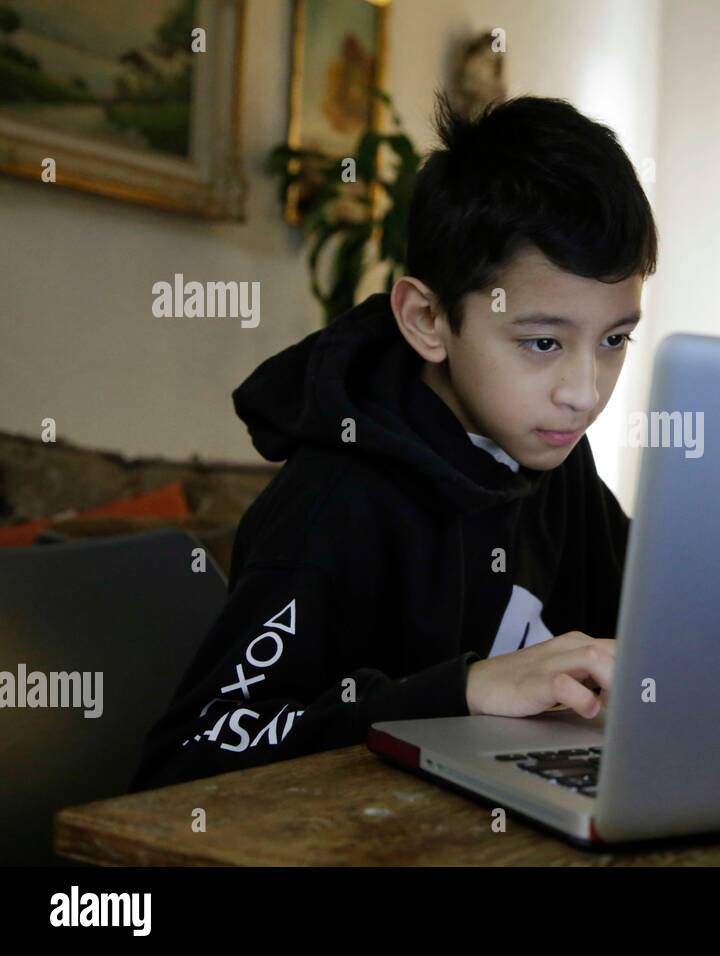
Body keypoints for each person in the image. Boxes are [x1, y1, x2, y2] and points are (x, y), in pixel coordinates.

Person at [129, 91, 657, 791]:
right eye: (541, 342)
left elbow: (647, 631)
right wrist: (459, 692)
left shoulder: (555, 460)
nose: (584, 391)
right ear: (428, 319)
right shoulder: (334, 503)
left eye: (615, 340)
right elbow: (187, 758)